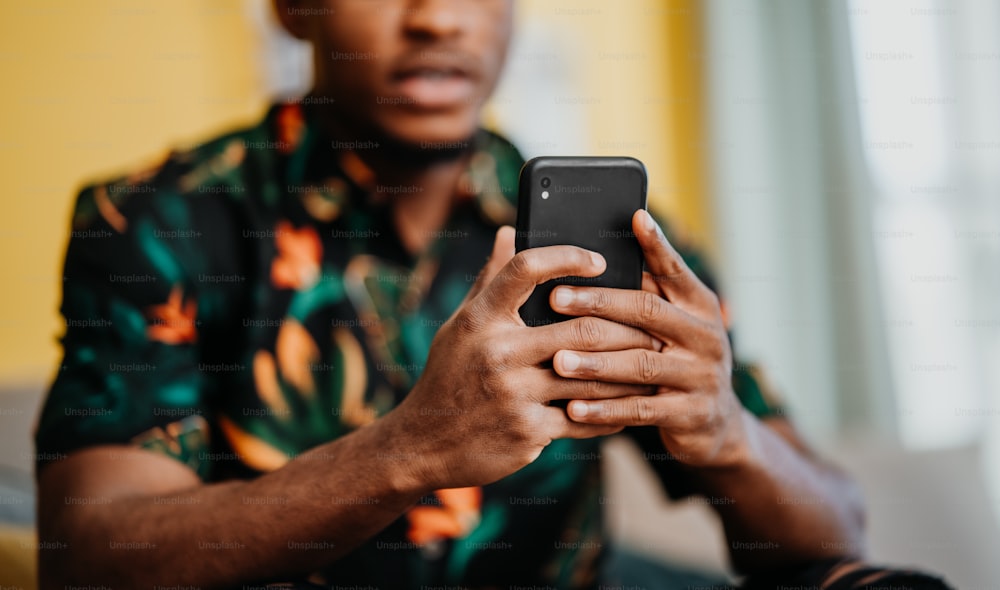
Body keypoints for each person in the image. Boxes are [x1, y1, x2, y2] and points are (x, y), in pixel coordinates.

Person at [34, 1, 951, 589]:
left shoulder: (614, 234)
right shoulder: (160, 221)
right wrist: (408, 450)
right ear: (293, 8)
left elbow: (836, 527)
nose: (439, 19)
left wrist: (726, 432)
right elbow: (92, 554)